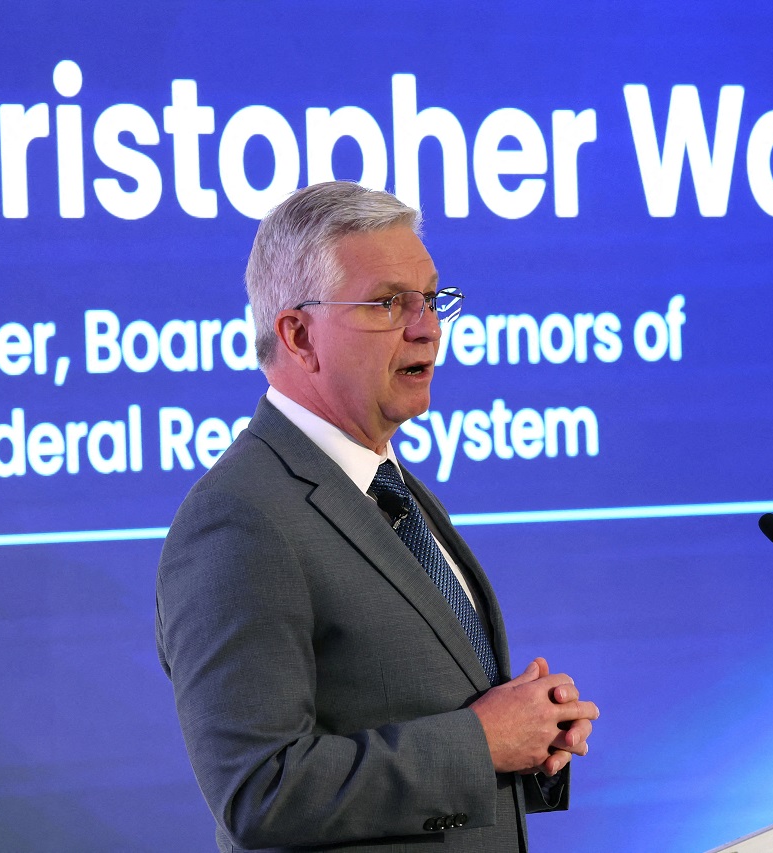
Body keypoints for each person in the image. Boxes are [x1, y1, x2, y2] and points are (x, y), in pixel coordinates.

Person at [156, 181, 599, 851]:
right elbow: (259, 790)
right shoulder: (239, 519)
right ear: (298, 334)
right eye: (390, 302)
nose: (427, 326)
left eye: (430, 298)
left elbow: (425, 713)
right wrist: (480, 742)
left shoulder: (394, 490)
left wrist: (530, 733)